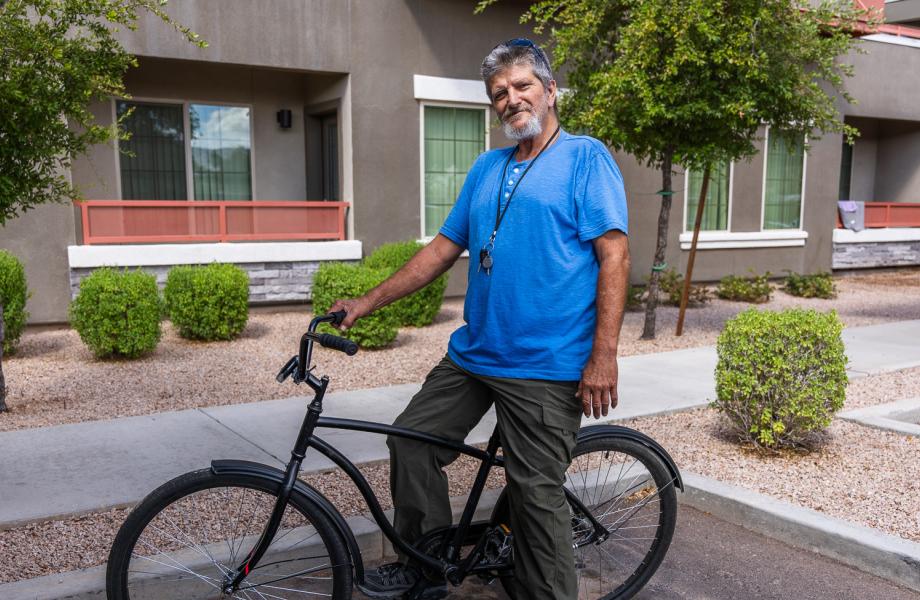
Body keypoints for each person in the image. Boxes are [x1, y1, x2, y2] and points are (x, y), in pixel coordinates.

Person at [330, 38, 630, 600]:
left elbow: (614, 255)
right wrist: (366, 301)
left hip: (547, 366)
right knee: (411, 444)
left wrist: (604, 355)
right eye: (500, 93)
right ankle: (427, 568)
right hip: (474, 356)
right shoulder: (487, 167)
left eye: (522, 86)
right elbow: (443, 250)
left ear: (550, 91)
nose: (512, 99)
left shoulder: (585, 157)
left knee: (537, 499)